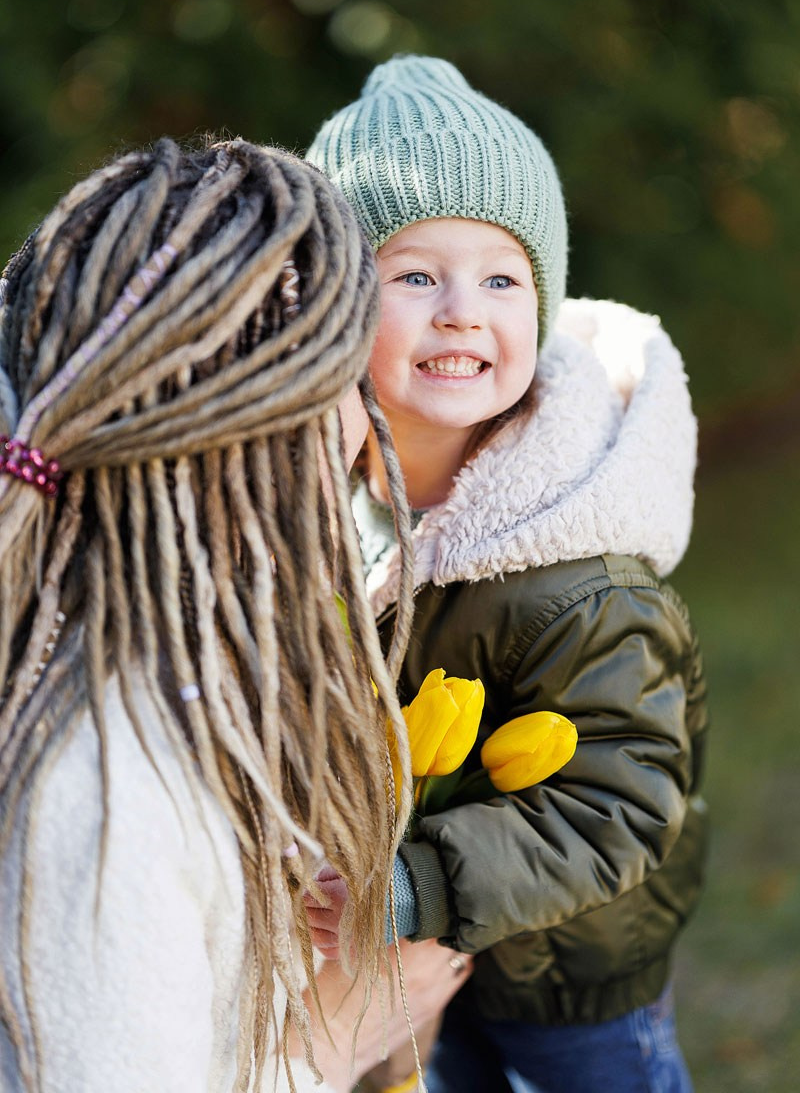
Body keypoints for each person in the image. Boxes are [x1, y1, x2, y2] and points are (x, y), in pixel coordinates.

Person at [0, 138, 471, 1093]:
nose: (369, 411)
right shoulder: (106, 787)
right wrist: (331, 1048)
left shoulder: (166, 662)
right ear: (270, 435)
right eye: (344, 375)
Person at [304, 56, 709, 1093]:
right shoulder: (324, 514)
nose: (459, 311)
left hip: (568, 981)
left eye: (500, 277)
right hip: (412, 967)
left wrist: (407, 888)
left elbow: (616, 799)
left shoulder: (578, 563)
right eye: (413, 276)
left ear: (543, 299)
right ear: (333, 311)